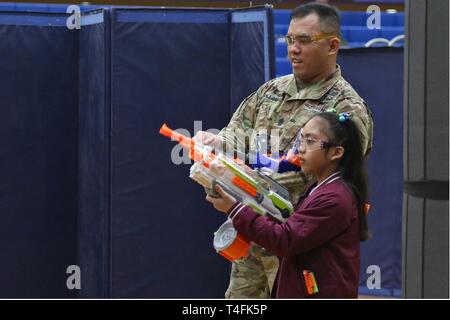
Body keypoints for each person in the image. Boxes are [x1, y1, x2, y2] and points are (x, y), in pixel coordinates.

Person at [195, 2, 374, 298]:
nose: (293, 49)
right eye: (290, 40)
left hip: (301, 249)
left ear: (332, 45)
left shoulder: (346, 108)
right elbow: (235, 135)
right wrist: (215, 147)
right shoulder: (271, 92)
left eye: (304, 40)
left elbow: (339, 182)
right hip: (251, 238)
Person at [206, 112, 370, 298]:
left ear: (336, 152)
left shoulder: (334, 198)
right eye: (301, 139)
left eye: (310, 141)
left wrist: (235, 209)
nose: (301, 148)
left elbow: (285, 240)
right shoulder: (321, 188)